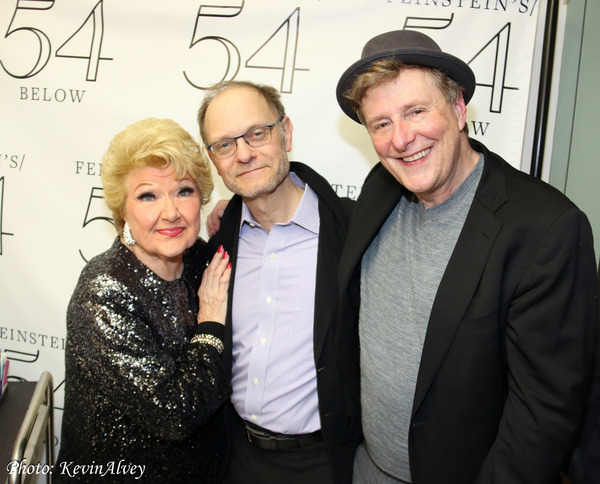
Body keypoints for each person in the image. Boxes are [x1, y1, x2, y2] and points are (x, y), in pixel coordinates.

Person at [334, 30, 599, 483]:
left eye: (416, 111)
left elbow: (542, 417)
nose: (401, 139)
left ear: (458, 109)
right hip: (365, 469)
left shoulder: (544, 229)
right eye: (381, 124)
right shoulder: (380, 187)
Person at [196, 80, 357, 484]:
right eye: (225, 145)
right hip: (231, 455)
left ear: (285, 132)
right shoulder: (218, 242)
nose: (244, 154)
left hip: (320, 464)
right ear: (214, 160)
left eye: (256, 133)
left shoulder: (353, 231)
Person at [55, 118, 232, 483]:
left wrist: (235, 216)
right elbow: (175, 413)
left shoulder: (199, 259)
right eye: (148, 195)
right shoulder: (104, 290)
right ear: (123, 211)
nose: (171, 212)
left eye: (184, 191)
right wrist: (211, 321)